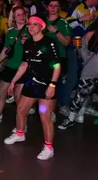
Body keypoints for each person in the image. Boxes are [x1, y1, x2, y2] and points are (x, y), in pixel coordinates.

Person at [4, 16, 61, 160]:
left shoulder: (49, 42)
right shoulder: (28, 43)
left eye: (35, 24)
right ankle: (20, 134)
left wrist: (52, 85)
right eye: (29, 24)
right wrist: (13, 81)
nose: (31, 27)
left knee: (44, 115)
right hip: (32, 82)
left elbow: (57, 65)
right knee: (20, 109)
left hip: (47, 83)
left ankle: (49, 147)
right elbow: (25, 64)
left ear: (42, 27)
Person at [59, 9, 98, 141]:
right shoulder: (91, 35)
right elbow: (84, 54)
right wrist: (78, 48)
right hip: (89, 72)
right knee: (79, 97)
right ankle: (70, 119)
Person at [0, 6, 29, 125]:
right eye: (17, 15)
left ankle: (22, 124)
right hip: (10, 65)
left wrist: (27, 43)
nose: (21, 17)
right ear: (13, 18)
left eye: (22, 14)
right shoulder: (10, 32)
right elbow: (6, 49)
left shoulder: (30, 29)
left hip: (23, 67)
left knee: (18, 95)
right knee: (1, 90)